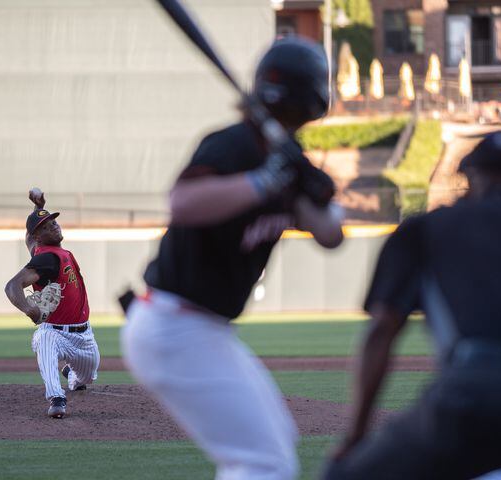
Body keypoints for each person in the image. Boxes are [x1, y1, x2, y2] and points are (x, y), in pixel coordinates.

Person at [120, 37, 345, 480]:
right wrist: (263, 182)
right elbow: (183, 202)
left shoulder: (286, 162)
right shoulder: (233, 146)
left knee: (276, 443)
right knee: (265, 462)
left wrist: (303, 184)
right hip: (175, 326)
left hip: (203, 329)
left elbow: (330, 234)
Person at [324, 131, 501, 479]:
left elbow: (381, 333)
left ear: (467, 177)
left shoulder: (426, 228)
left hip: (470, 397)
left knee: (344, 476)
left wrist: (355, 436)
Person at [5, 189, 100, 419]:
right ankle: (56, 398)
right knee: (45, 338)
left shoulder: (43, 248)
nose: (54, 226)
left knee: (85, 379)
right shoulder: (46, 259)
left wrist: (38, 208)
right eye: (46, 226)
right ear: (40, 236)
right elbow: (12, 286)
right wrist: (30, 310)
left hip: (84, 335)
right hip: (55, 332)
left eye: (53, 222)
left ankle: (71, 373)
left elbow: (29, 237)